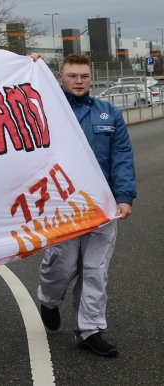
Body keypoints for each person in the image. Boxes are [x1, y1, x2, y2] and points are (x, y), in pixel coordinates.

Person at [36, 53, 135, 357]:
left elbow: (121, 158)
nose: (78, 81)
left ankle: (90, 329)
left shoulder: (109, 113)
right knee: (63, 266)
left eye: (84, 76)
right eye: (72, 76)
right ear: (60, 77)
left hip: (101, 207)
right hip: (61, 206)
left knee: (95, 270)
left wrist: (124, 197)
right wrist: (29, 68)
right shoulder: (45, 111)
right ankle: (49, 299)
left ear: (90, 78)